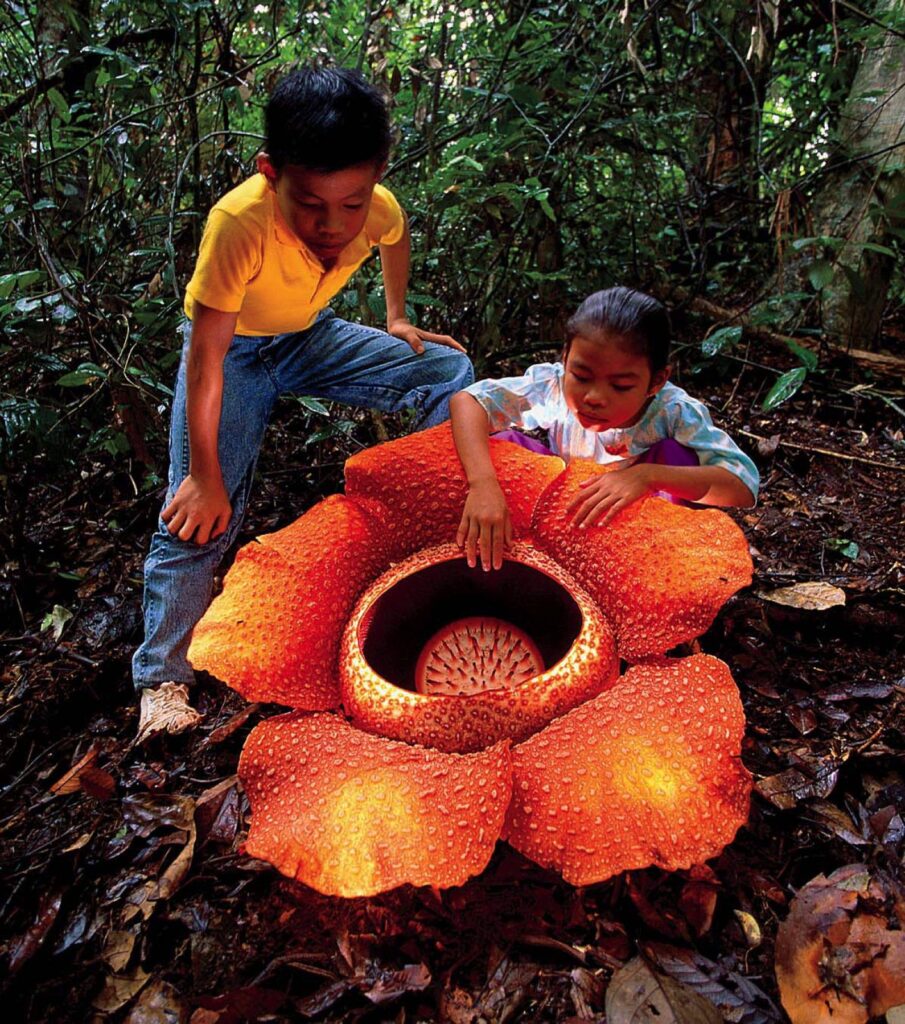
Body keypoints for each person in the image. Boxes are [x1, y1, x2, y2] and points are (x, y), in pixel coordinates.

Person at [133, 67, 473, 741]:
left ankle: (420, 529)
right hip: (233, 356)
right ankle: (161, 680)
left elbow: (394, 236)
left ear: (376, 172)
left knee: (447, 369)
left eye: (352, 203)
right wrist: (204, 476)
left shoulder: (375, 206)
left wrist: (398, 316)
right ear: (270, 172)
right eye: (311, 204)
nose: (334, 224)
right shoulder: (238, 222)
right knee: (197, 516)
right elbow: (205, 365)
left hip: (306, 336)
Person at [451, 286, 758, 571]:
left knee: (677, 456)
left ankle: (657, 572)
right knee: (504, 445)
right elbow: (470, 401)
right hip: (564, 514)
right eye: (581, 376)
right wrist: (483, 484)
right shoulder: (552, 386)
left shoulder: (673, 411)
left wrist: (647, 476)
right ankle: (505, 547)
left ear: (657, 381)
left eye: (620, 386)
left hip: (643, 533)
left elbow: (741, 486)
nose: (594, 397)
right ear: (565, 358)